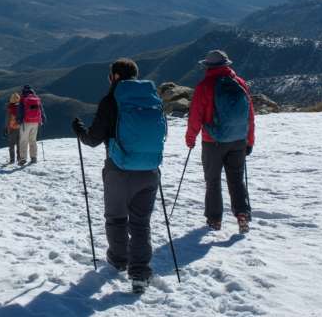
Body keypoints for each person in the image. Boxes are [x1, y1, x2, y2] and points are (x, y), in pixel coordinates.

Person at [71, 59, 166, 294]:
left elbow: (93, 139)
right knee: (141, 223)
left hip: (119, 170)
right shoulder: (152, 99)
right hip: (150, 171)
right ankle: (140, 273)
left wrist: (79, 130)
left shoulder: (111, 100)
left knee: (116, 218)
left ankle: (118, 259)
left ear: (114, 77)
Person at [185, 49, 255, 233]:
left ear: (207, 66)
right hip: (238, 140)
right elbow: (250, 115)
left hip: (213, 141)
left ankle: (214, 220)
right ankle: (242, 215)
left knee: (213, 180)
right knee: (236, 179)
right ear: (227, 65)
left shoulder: (205, 86)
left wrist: (190, 139)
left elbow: (195, 116)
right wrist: (249, 140)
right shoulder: (240, 83)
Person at [17, 85, 45, 165]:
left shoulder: (23, 99)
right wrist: (42, 119)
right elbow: (41, 109)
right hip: (35, 122)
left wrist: (19, 120)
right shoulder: (36, 98)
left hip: (26, 122)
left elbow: (20, 111)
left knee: (23, 140)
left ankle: (23, 158)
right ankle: (34, 157)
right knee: (33, 140)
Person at [4, 93, 21, 164]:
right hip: (20, 128)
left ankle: (12, 159)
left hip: (12, 128)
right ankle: (19, 158)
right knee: (19, 144)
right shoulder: (21, 107)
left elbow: (7, 119)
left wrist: (6, 128)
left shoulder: (10, 107)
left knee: (11, 145)